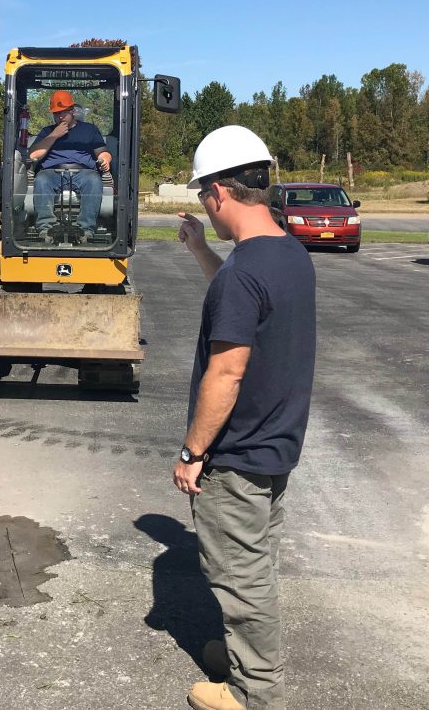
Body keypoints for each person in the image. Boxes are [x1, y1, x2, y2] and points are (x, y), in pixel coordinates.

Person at [173, 125, 316, 710]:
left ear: (218, 194)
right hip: (277, 445)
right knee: (255, 563)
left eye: (205, 193)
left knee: (241, 577)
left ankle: (256, 692)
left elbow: (225, 376)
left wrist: (192, 453)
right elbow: (243, 309)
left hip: (236, 456)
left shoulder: (243, 275)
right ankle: (242, 657)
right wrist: (202, 250)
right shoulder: (287, 255)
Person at [28, 90, 111, 243]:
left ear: (72, 111)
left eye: (63, 113)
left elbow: (102, 151)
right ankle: (45, 228)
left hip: (83, 171)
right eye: (56, 113)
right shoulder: (47, 131)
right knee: (41, 179)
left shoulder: (89, 130)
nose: (60, 116)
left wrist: (104, 159)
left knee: (94, 180)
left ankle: (85, 229)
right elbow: (34, 155)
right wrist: (55, 135)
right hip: (52, 172)